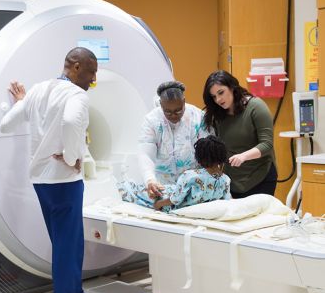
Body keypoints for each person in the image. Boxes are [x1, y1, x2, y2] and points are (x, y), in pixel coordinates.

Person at [0, 47, 104, 293]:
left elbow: (6, 123)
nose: (93, 78)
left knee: (68, 243)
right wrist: (73, 158)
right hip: (64, 181)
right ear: (73, 67)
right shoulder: (77, 96)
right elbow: (71, 123)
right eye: (90, 71)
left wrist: (23, 103)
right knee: (66, 249)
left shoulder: (39, 89)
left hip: (41, 180)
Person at [202, 70, 277, 198]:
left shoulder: (256, 107)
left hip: (260, 176)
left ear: (232, 87)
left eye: (221, 92)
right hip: (232, 180)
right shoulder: (218, 115)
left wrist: (243, 156)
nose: (218, 99)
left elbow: (267, 144)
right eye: (214, 96)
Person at [138, 81, 211, 201]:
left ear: (184, 101)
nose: (173, 116)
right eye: (168, 112)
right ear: (161, 105)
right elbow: (146, 154)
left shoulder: (197, 117)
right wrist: (150, 179)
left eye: (178, 110)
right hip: (163, 186)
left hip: (193, 183)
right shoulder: (152, 120)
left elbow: (208, 151)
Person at [118, 135, 231, 212]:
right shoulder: (226, 180)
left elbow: (175, 199)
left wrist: (159, 204)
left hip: (169, 201)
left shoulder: (191, 176)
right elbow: (226, 201)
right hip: (177, 193)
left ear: (199, 157)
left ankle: (120, 187)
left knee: (135, 190)